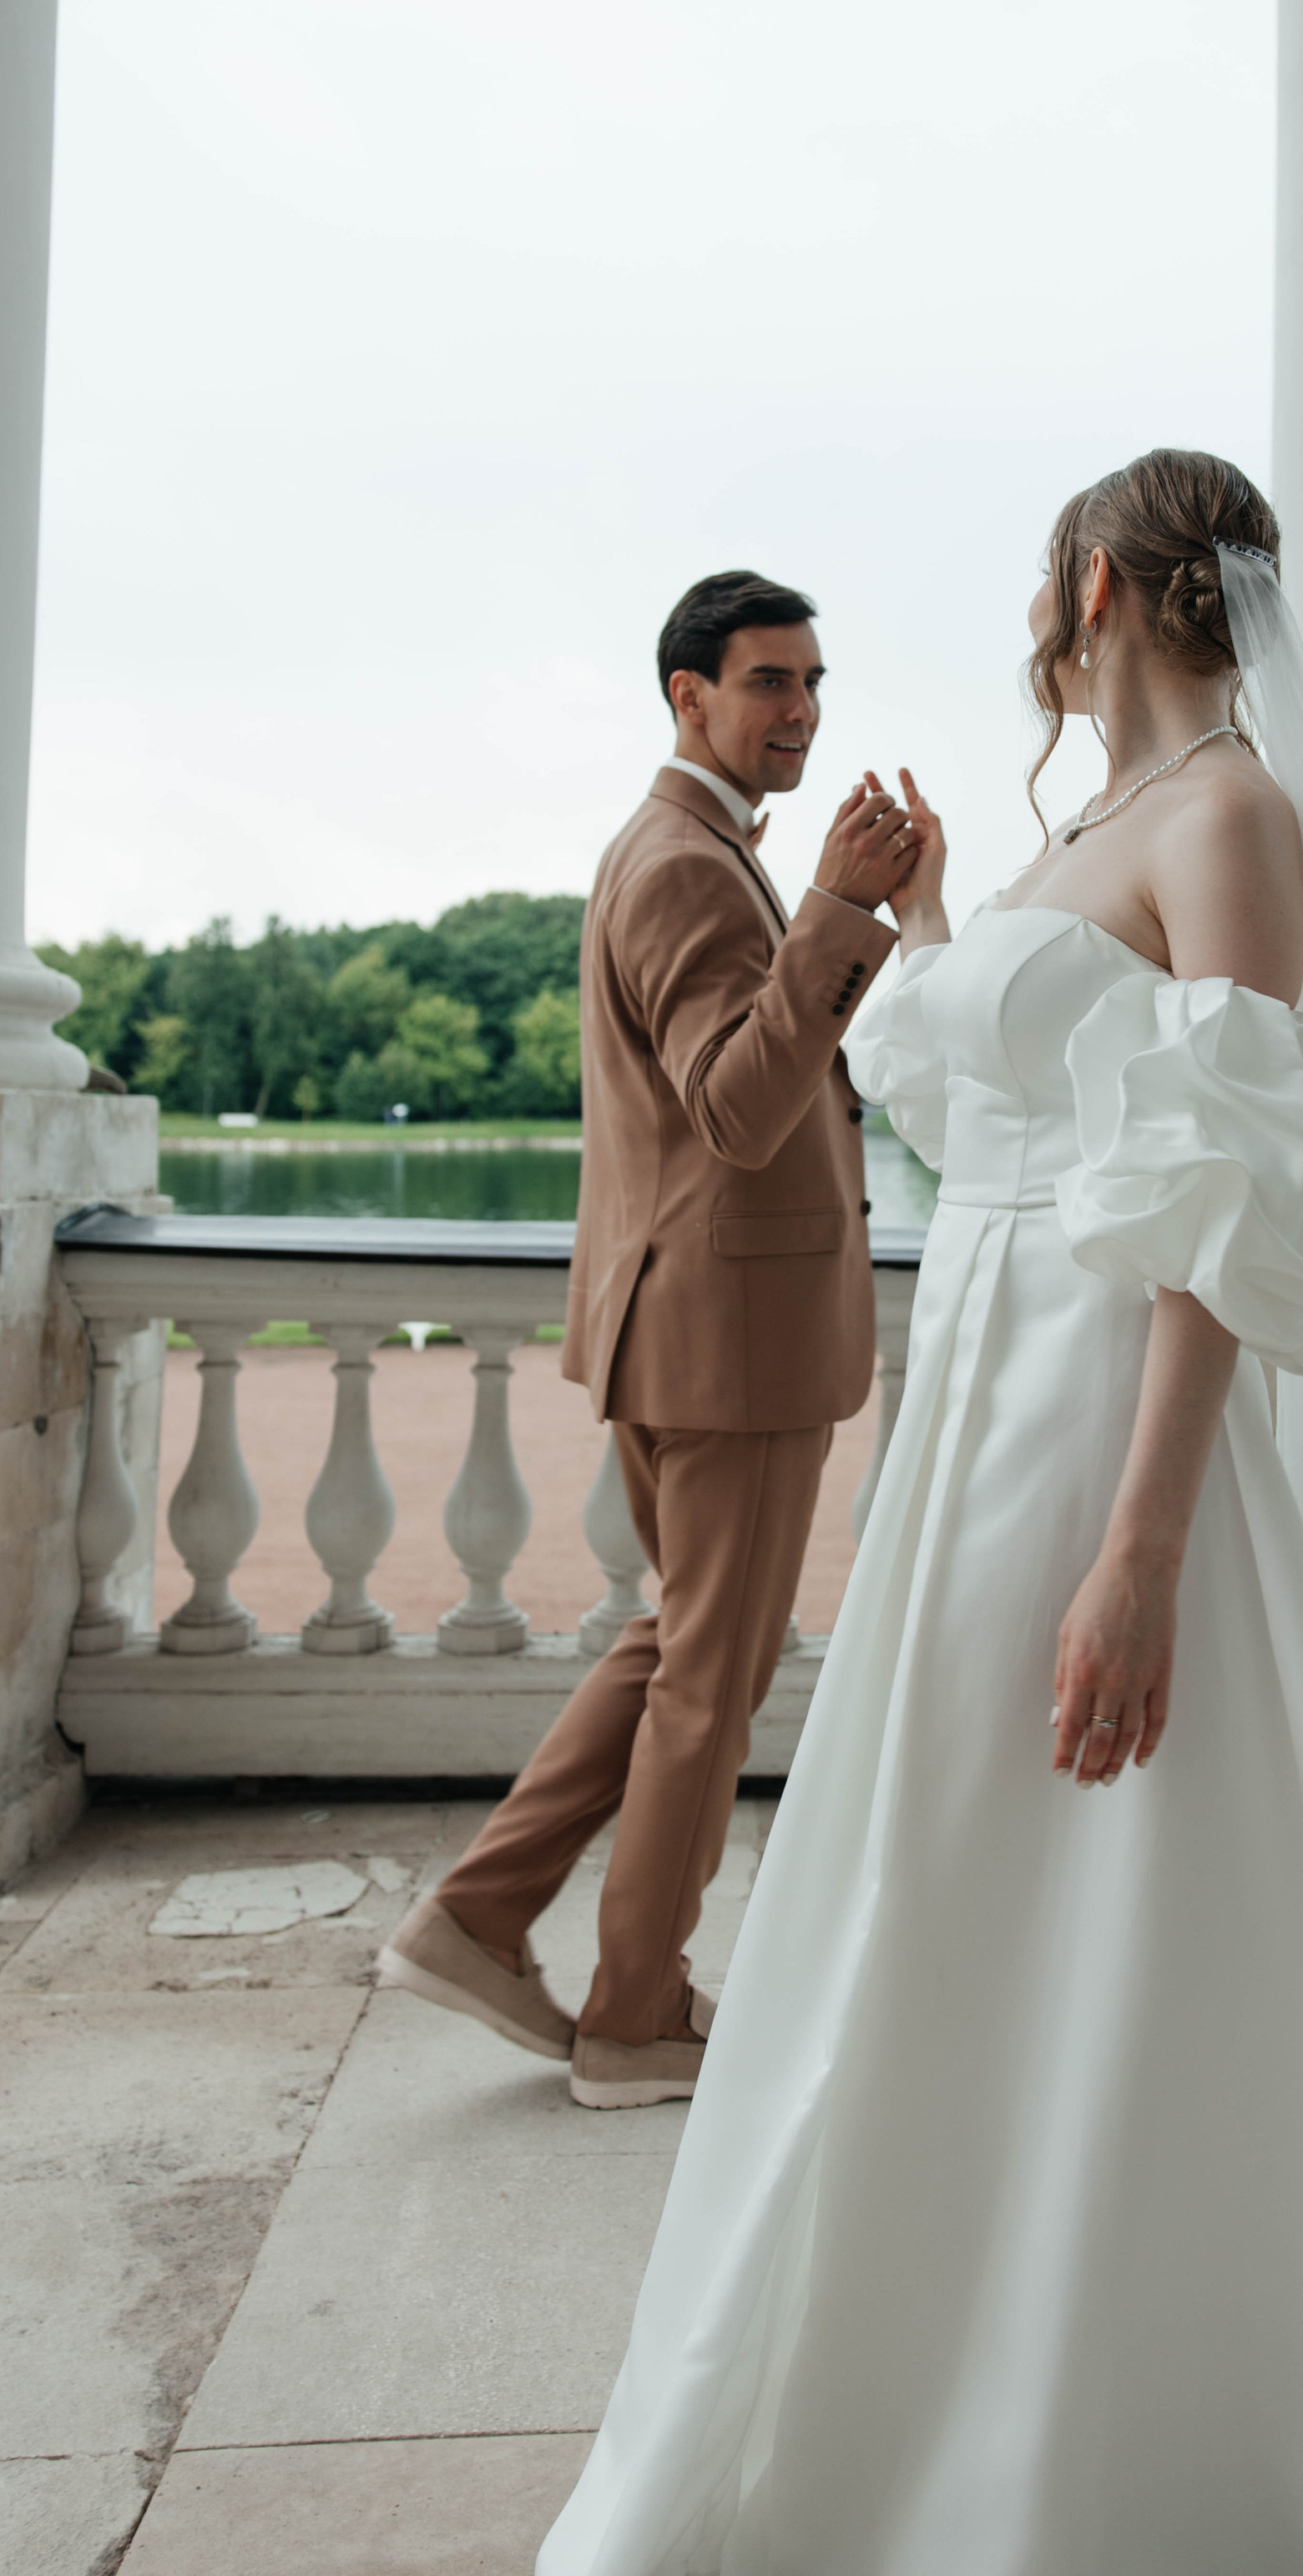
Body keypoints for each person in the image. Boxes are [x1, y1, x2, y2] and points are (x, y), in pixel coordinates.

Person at [533, 453, 1303, 2575]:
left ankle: (1127, 2413)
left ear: (1100, 584)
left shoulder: (1232, 821)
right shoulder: (1079, 832)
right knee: (932, 1882)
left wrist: (1144, 1544)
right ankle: (902, 2378)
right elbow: (990, 1102)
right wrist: (923, 928)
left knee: (1120, 1878)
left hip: (1104, 1422)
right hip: (977, 1418)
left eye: (1048, 578)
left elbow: (1220, 1206)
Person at [381, 569, 921, 2110]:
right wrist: (843, 908)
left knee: (674, 1648)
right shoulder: (686, 864)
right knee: (711, 1681)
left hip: (681, 1323)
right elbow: (740, 1109)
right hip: (727, 1341)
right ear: (688, 694)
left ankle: (479, 1919)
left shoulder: (690, 851)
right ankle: (633, 2013)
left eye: (813, 681)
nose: (802, 709)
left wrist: (829, 924)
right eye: (768, 682)